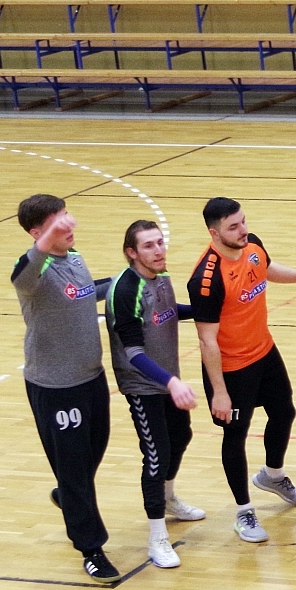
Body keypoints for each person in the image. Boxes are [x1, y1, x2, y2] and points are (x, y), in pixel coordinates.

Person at [188, 197, 296, 544]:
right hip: (231, 368)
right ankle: (244, 510)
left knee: (284, 412)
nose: (243, 230)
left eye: (243, 222)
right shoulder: (206, 279)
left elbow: (267, 269)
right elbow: (207, 341)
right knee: (236, 435)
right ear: (214, 233)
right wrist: (220, 392)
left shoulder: (252, 245)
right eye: (233, 227)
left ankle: (272, 475)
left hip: (264, 351)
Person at [12, 195, 119, 584]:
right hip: (56, 386)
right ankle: (91, 549)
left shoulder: (74, 258)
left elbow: (87, 291)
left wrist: (126, 281)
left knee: (94, 449)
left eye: (67, 216)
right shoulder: (33, 273)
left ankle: (69, 496)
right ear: (36, 233)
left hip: (91, 376)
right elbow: (22, 274)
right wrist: (45, 242)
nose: (68, 225)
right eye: (57, 222)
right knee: (74, 469)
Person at [106, 220, 207, 571]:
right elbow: (133, 352)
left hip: (166, 380)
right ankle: (157, 538)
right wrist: (172, 383)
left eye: (160, 242)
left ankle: (167, 498)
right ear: (131, 253)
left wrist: (210, 309)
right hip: (143, 385)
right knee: (156, 455)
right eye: (149, 245)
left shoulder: (161, 277)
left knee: (181, 436)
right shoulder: (126, 290)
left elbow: (169, 312)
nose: (159, 250)